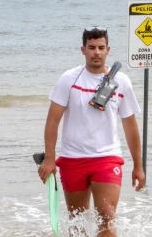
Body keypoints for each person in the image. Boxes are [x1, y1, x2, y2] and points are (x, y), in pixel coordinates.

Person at [38, 27, 145, 237]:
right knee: (78, 222)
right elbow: (52, 121)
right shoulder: (69, 79)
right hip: (72, 158)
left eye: (101, 48)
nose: (96, 52)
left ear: (108, 50)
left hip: (107, 158)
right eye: (92, 47)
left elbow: (130, 126)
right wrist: (49, 158)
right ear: (83, 50)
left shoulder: (121, 82)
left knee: (106, 216)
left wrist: (138, 166)